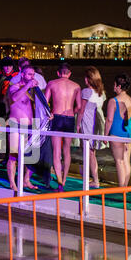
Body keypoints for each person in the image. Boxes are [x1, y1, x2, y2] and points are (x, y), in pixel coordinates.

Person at [45, 63, 81, 191]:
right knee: (67, 151)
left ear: (58, 73)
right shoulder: (76, 86)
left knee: (56, 152)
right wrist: (72, 112)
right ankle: (64, 180)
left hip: (57, 117)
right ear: (69, 73)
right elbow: (79, 107)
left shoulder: (52, 83)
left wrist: (50, 113)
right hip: (70, 118)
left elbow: (45, 102)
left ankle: (59, 181)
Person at [7, 65, 39, 191]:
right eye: (29, 74)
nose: (32, 77)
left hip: (30, 125)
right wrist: (27, 86)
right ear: (22, 74)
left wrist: (48, 114)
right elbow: (14, 98)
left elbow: (41, 105)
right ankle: (12, 183)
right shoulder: (14, 87)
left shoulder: (33, 90)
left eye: (33, 74)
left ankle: (26, 180)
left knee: (29, 155)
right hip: (16, 124)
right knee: (13, 155)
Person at [76, 66, 107, 189]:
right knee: (92, 153)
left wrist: (78, 124)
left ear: (89, 79)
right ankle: (95, 179)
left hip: (87, 123)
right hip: (97, 124)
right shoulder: (102, 93)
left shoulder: (86, 91)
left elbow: (81, 111)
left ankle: (92, 179)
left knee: (88, 152)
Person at [105, 73, 131, 187]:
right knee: (126, 160)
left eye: (114, 85)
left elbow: (109, 119)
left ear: (119, 86)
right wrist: (130, 134)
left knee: (119, 161)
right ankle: (125, 187)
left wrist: (105, 135)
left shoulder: (113, 101)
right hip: (129, 132)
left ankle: (121, 188)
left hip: (116, 132)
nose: (113, 87)